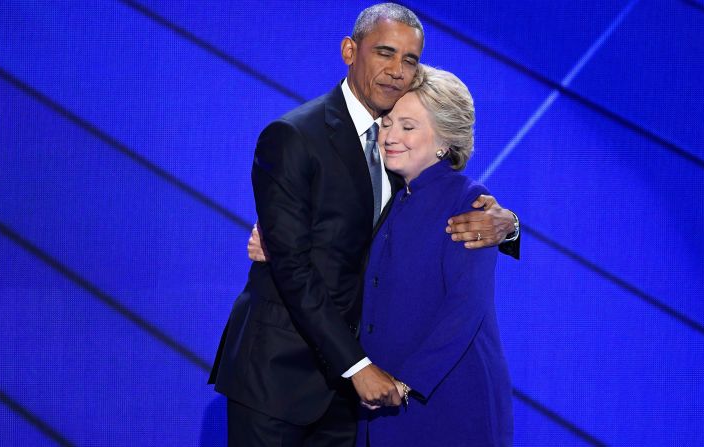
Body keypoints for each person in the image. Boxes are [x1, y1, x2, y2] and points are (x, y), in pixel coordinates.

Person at [211, 4, 519, 446]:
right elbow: (294, 263)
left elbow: (449, 216)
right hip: (282, 377)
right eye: (385, 53)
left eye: (409, 60)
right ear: (349, 51)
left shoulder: (403, 161)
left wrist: (509, 225)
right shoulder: (295, 136)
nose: (397, 70)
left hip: (364, 395)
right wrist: (280, 248)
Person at [356, 65, 513, 446]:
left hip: (446, 404)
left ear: (445, 141)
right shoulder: (390, 193)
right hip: (382, 403)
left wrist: (405, 383)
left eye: (408, 127)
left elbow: (465, 307)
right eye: (388, 123)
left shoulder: (469, 201)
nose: (391, 136)